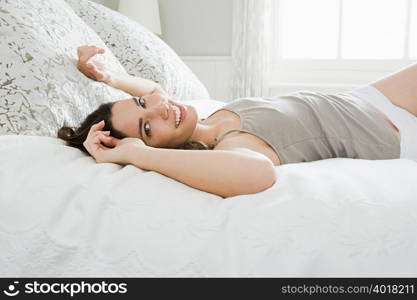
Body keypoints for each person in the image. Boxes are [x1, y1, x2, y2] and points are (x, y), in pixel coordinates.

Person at [59, 45, 417, 198]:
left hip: (372, 98)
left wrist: (109, 76)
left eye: (142, 105)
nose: (160, 110)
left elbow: (155, 92)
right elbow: (258, 174)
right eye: (148, 129)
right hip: (395, 132)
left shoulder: (206, 116)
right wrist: (134, 154)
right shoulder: (230, 145)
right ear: (158, 146)